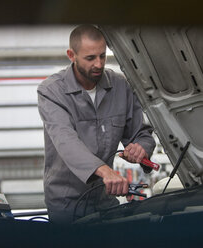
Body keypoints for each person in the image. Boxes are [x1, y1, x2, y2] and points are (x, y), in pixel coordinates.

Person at [37, 24, 156, 224]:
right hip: (66, 205)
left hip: (105, 199)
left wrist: (141, 149)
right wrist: (104, 171)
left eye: (102, 55)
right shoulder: (51, 91)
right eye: (90, 58)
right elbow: (66, 141)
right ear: (71, 55)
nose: (99, 64)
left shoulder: (120, 86)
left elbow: (141, 134)